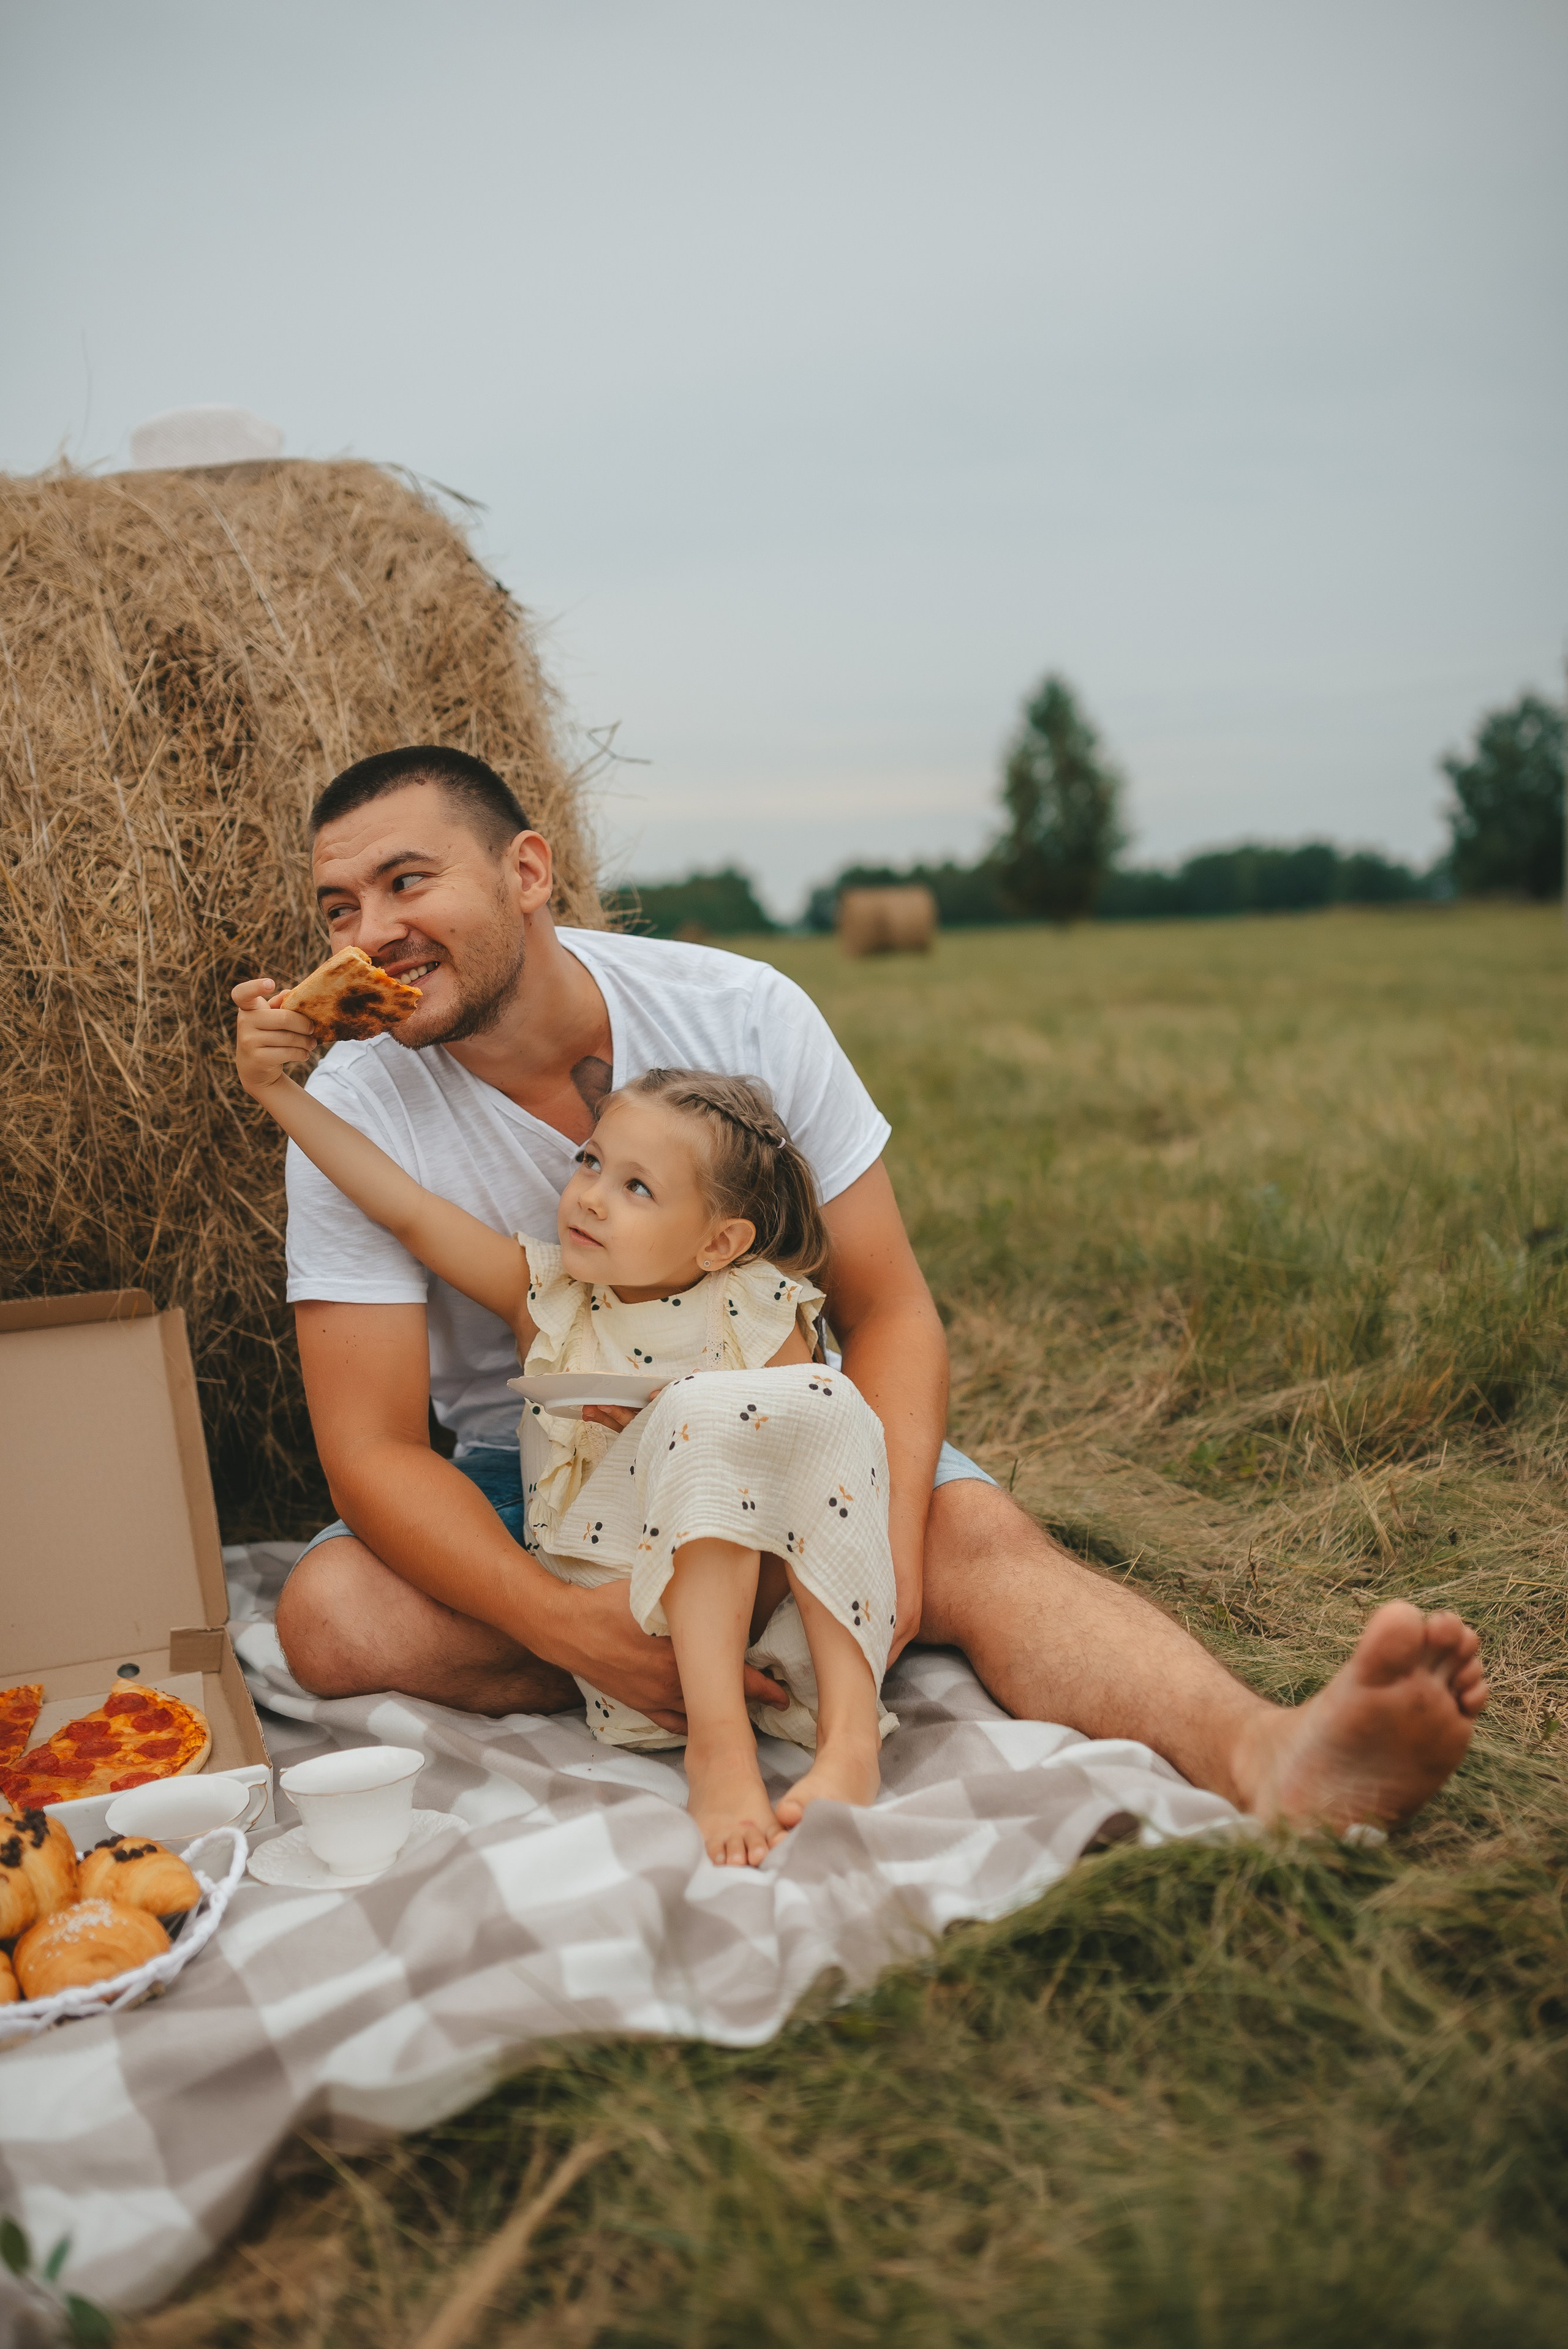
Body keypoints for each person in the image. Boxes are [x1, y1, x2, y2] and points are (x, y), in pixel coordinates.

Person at [266, 745, 1488, 1837]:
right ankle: (695, 1653)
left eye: (408, 882)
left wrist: (884, 1549)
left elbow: (890, 1310)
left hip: (777, 1422)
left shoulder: (740, 1012)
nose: (369, 934)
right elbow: (372, 1448)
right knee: (331, 1616)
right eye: (340, 908)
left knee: (976, 1541)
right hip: (542, 1470)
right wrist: (555, 1619)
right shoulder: (351, 1107)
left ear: (526, 872)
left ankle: (1267, 1754)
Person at [233, 1009, 897, 1868]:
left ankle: (851, 1739)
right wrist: (275, 1091)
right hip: (611, 1592)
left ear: (719, 1241)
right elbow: (404, 1208)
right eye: (590, 1161)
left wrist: (678, 1418)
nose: (589, 1195)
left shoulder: (756, 1306)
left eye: (637, 1188)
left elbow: (799, 1472)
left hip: (740, 1588)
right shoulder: (549, 1300)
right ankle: (720, 1750)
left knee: (818, 1400)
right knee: (704, 1415)